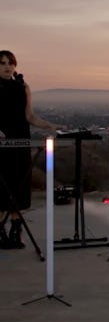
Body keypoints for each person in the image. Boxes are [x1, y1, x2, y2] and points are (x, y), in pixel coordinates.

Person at [0, 50, 63, 249]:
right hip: (1, 145)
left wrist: (49, 125)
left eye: (11, 63)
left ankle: (16, 232)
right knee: (1, 189)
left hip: (20, 142)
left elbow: (30, 116)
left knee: (18, 187)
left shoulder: (23, 87)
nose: (7, 66)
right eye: (2, 63)